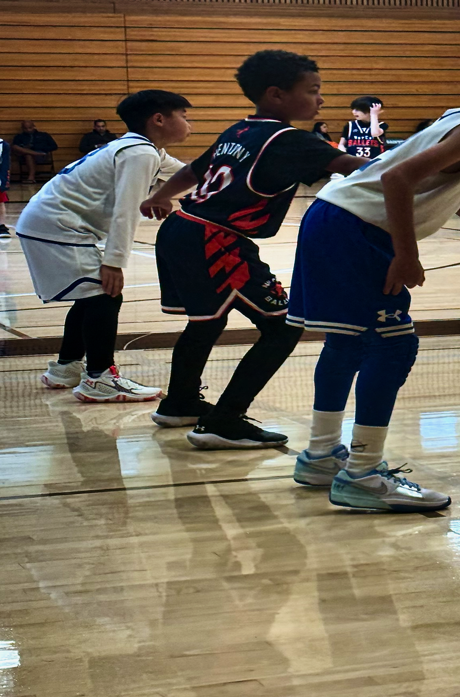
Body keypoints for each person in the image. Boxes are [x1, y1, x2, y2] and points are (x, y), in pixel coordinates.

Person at [286, 39, 460, 512]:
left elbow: (445, 188)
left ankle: (322, 455)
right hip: (358, 227)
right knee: (394, 343)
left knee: (348, 341)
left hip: (331, 216)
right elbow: (397, 180)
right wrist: (406, 253)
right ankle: (362, 474)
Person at [138, 50, 363, 449]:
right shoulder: (291, 140)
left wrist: (160, 195)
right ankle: (224, 421)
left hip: (181, 227)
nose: (321, 100)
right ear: (276, 95)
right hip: (215, 239)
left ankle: (180, 403)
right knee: (283, 326)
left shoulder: (239, 130)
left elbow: (195, 170)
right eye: (313, 91)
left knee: (206, 322)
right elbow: (360, 169)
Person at [15, 90, 190, 402]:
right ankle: (100, 379)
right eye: (184, 116)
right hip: (58, 227)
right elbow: (127, 210)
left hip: (48, 224)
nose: (189, 123)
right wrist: (114, 261)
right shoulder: (140, 154)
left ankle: (66, 368)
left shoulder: (141, 148)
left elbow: (188, 174)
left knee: (90, 296)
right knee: (104, 295)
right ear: (159, 119)